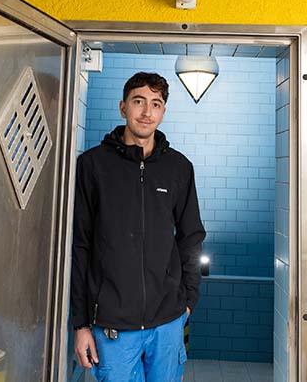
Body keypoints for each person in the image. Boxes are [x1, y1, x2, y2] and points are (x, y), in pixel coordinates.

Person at [71, 71, 207, 382]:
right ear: (123, 108)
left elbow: (191, 237)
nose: (147, 112)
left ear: (163, 111)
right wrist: (81, 324)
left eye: (156, 104)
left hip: (168, 321)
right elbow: (80, 245)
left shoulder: (179, 168)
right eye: (139, 101)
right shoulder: (92, 166)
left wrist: (188, 300)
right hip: (112, 326)